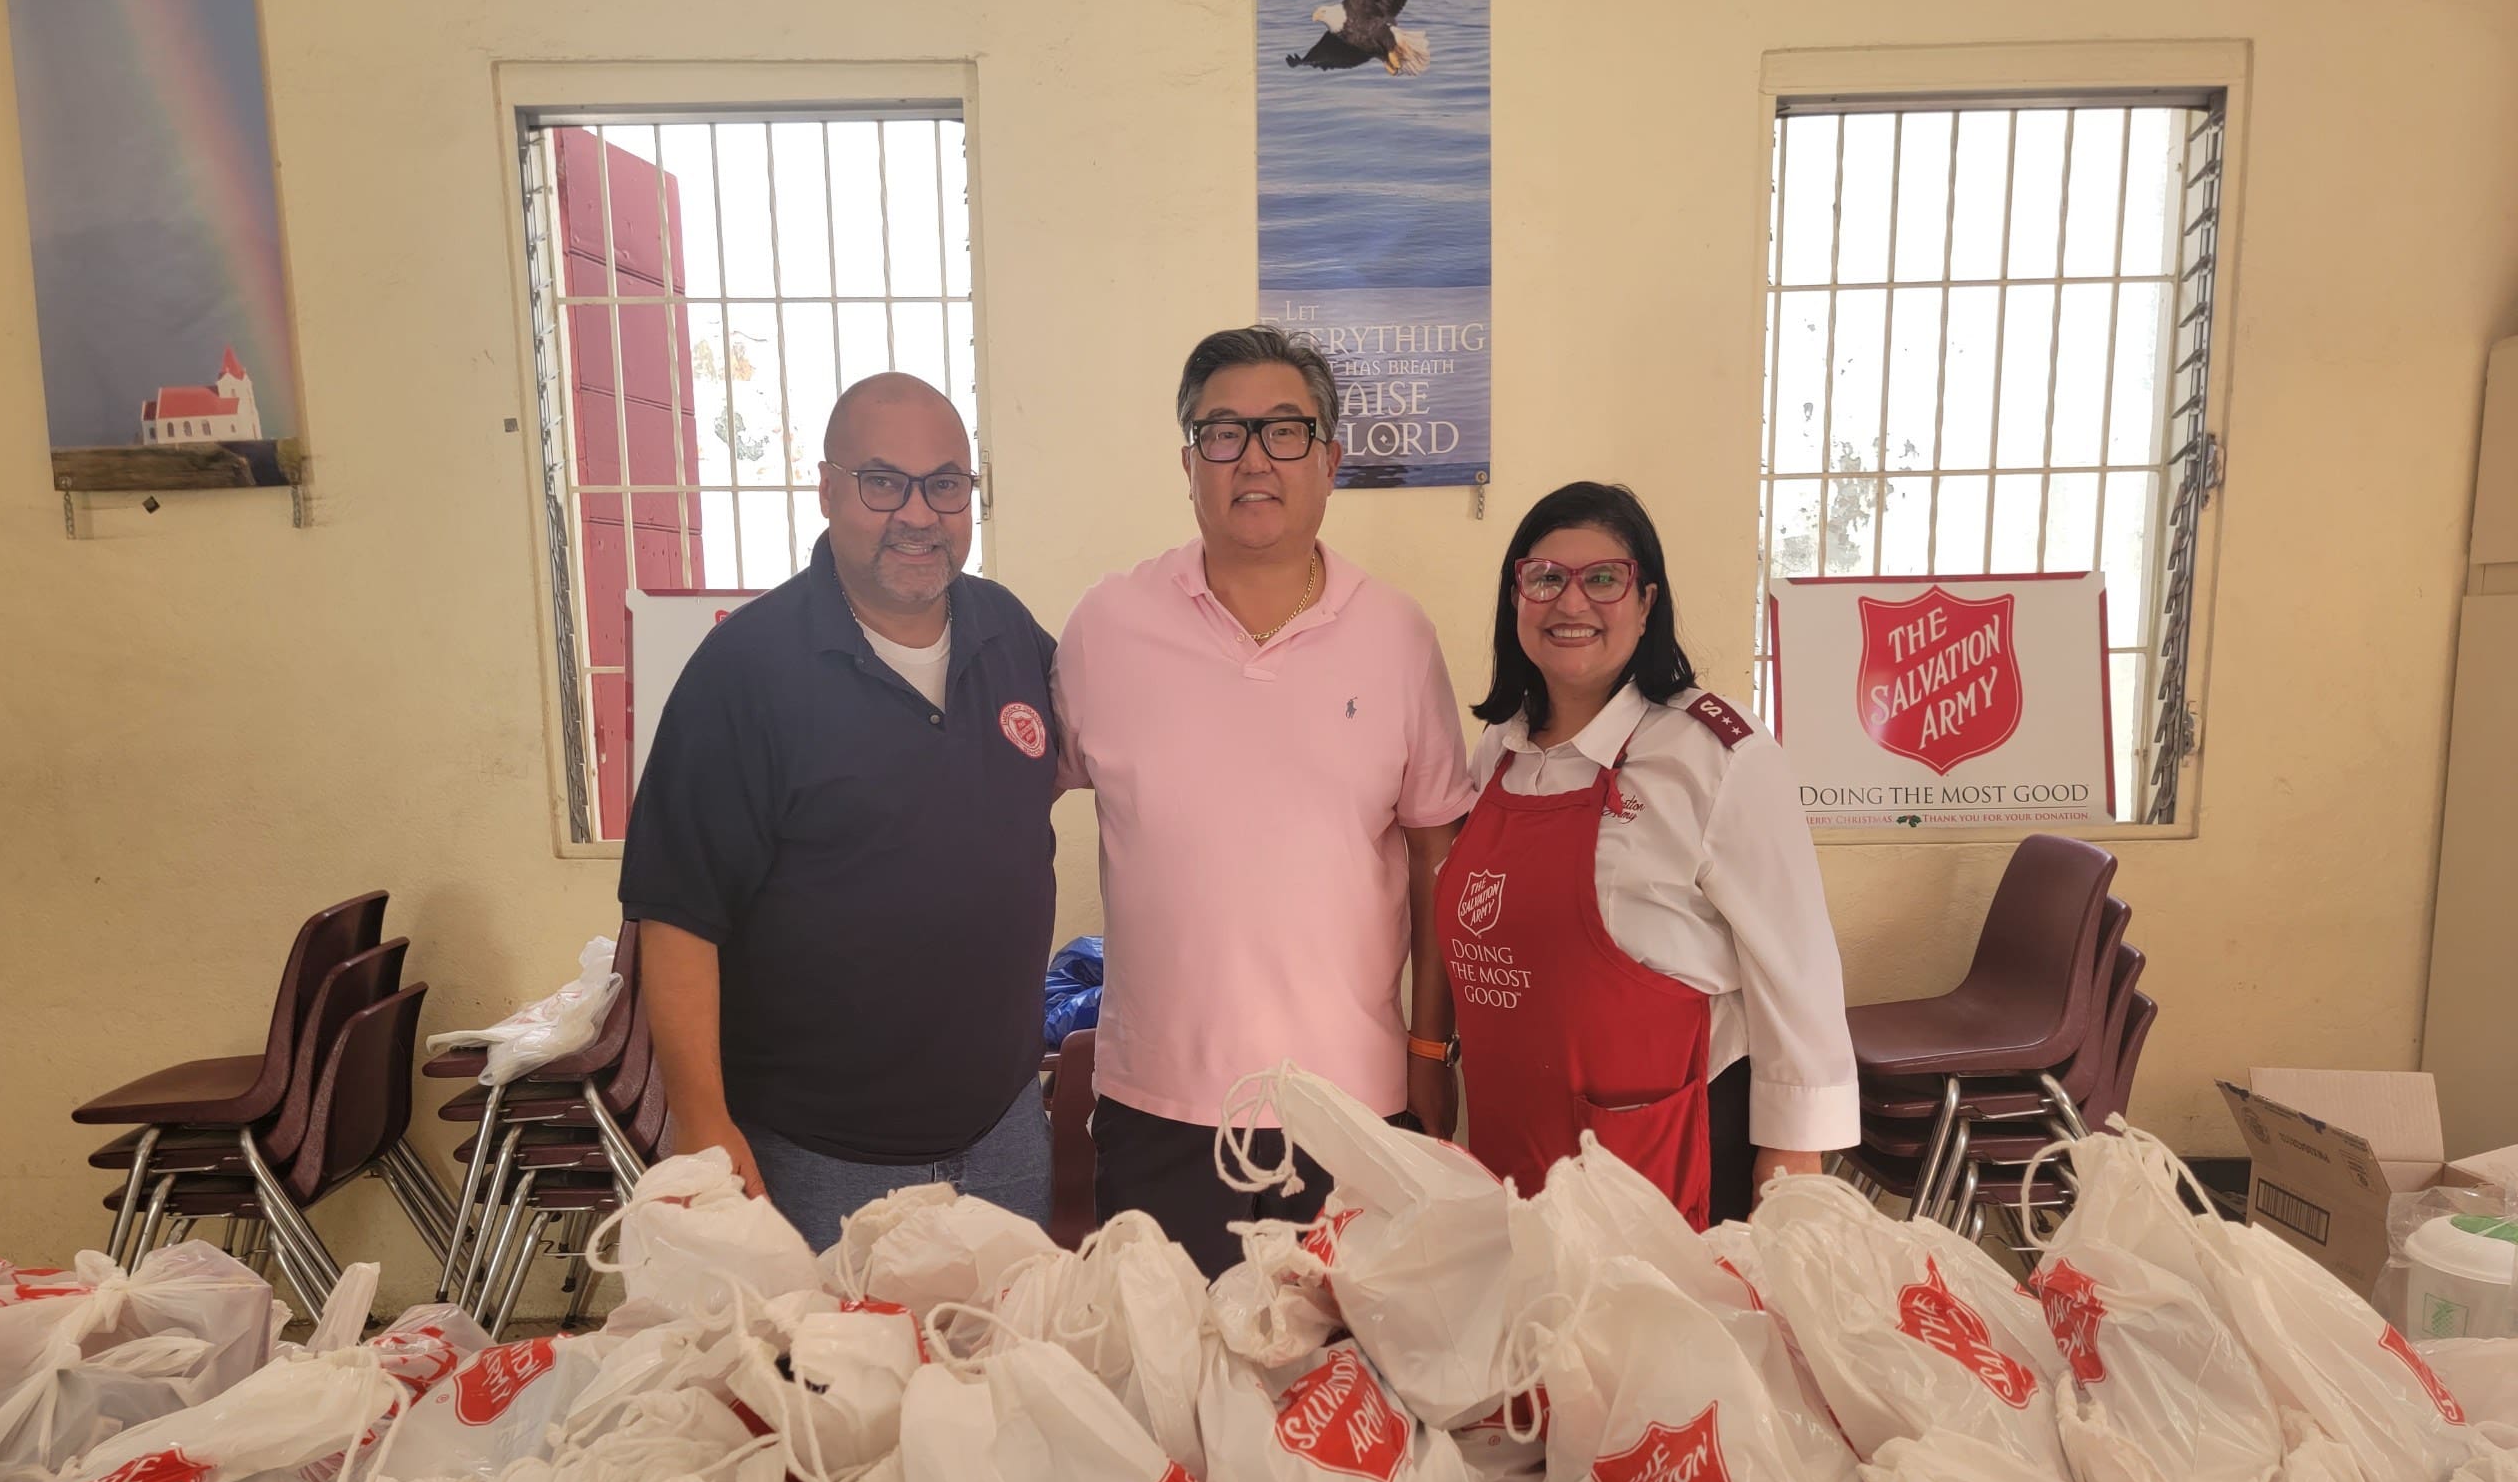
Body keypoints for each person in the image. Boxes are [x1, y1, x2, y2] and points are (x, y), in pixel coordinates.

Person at [1053, 326, 1475, 1274]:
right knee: (1169, 1395)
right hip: (1158, 1108)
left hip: (1354, 1111)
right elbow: (1008, 808)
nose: (1253, 458)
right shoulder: (1105, 628)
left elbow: (1433, 853)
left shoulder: (1397, 635)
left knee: (1347, 1396)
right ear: (1188, 462)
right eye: (1222, 432)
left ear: (1330, 461)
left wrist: (1428, 1052)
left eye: (1286, 432)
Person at [618, 372, 1058, 1247]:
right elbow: (675, 918)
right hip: (820, 1160)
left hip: (1005, 1133)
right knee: (830, 1383)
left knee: (1005, 1377)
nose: (919, 514)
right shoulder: (745, 673)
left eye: (945, 484)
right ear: (826, 490)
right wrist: (705, 1125)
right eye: (883, 481)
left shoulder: (1008, 633)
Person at [1436, 480, 1857, 1225]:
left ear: (1646, 602)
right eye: (1545, 579)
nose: (1571, 604)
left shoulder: (1716, 756)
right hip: (1513, 1146)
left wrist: (1793, 1156)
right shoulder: (1496, 755)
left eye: (1604, 579)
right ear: (1515, 599)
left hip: (1662, 1160)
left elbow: (1798, 968)